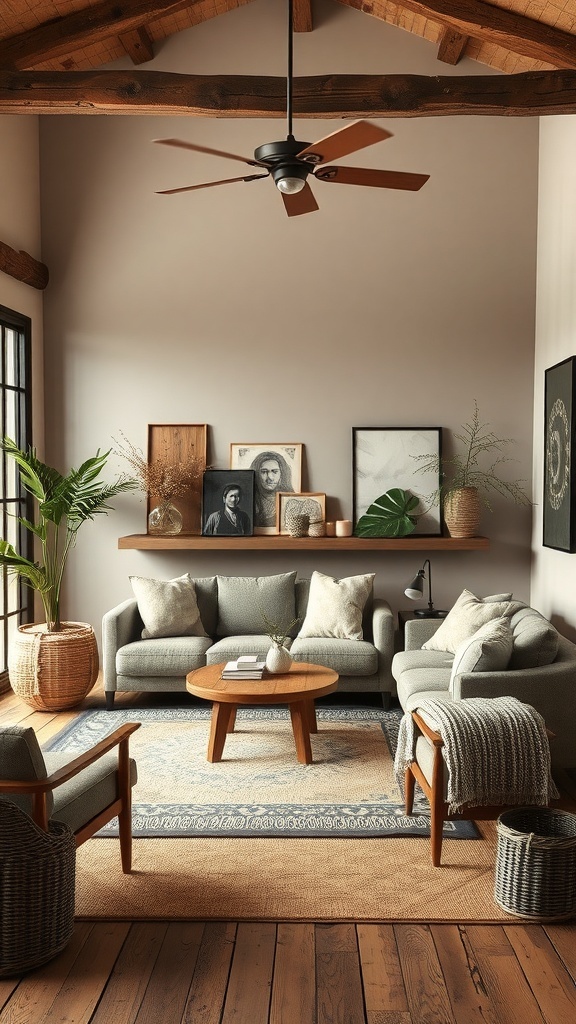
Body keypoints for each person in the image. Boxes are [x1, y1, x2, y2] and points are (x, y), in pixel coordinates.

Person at [250, 450, 293, 528]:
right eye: (264, 472)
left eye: (275, 472)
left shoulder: (290, 500)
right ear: (256, 474)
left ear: (282, 474)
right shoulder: (250, 499)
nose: (270, 477)